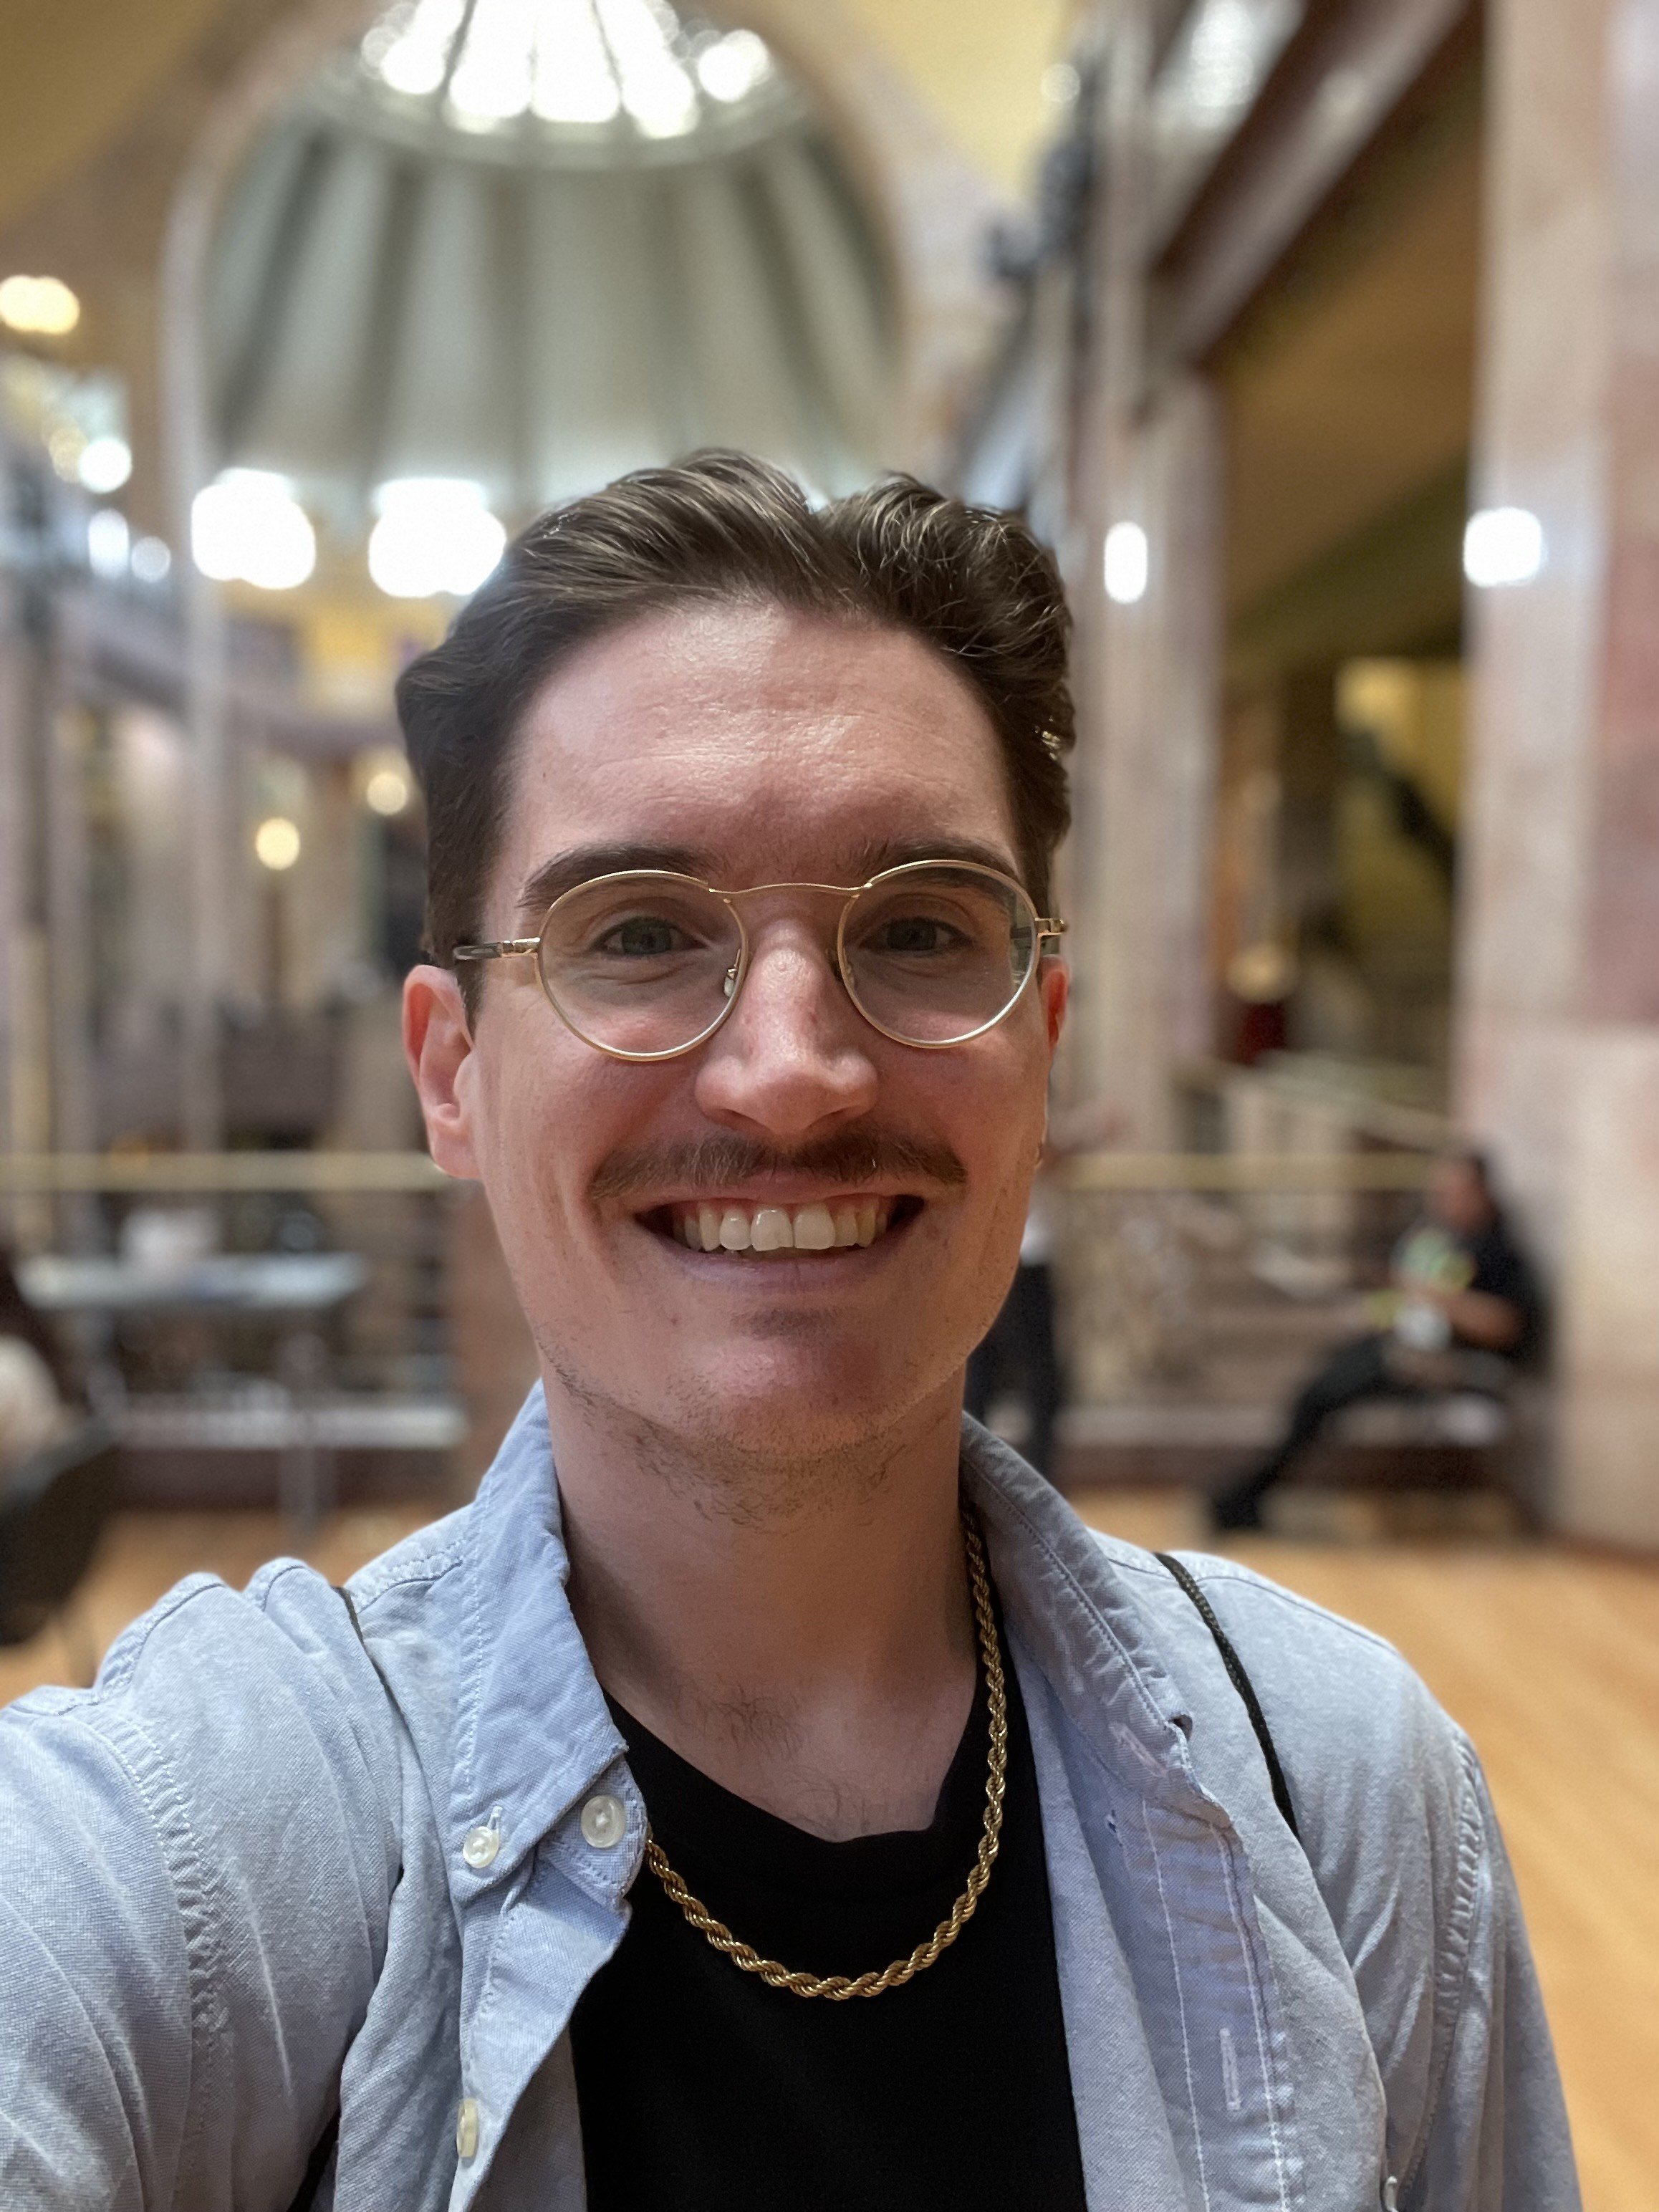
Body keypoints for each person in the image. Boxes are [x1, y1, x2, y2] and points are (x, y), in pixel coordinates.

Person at [0, 458, 1576, 2211]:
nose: (791, 1074)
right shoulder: (192, 1855)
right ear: (451, 1070)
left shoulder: (1350, 1800)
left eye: (916, 929)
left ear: (1040, 1046)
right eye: (638, 932)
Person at [1211, 1148, 1542, 1532]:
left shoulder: (1498, 1252)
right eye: (1440, 1192)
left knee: (1332, 1389)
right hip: (1405, 1347)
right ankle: (1254, 1489)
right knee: (1322, 1384)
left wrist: (1433, 1297)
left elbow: (1505, 1325)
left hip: (1452, 1365)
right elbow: (1409, 1302)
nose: (1444, 1201)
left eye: (1455, 1192)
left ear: (1482, 1193)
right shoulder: (1439, 1240)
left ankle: (1253, 1491)